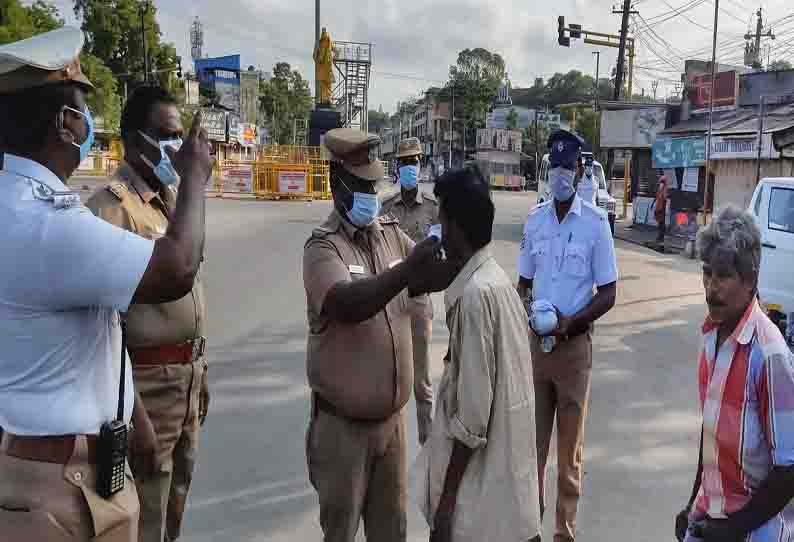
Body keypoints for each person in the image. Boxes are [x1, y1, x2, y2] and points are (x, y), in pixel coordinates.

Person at [0, 27, 212, 542]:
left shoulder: (21, 207)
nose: (87, 123)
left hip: (69, 459)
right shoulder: (50, 222)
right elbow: (176, 268)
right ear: (65, 124)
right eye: (81, 111)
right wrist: (197, 179)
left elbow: (97, 326)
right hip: (57, 482)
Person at [303, 128, 457, 542]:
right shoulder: (323, 248)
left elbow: (432, 274)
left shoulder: (389, 233)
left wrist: (464, 233)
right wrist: (406, 271)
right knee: (341, 532)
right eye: (361, 185)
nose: (372, 193)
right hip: (343, 430)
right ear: (337, 182)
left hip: (391, 427)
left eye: (375, 183)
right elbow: (348, 303)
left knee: (392, 532)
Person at [85, 86, 209, 542]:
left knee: (176, 499)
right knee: (146, 511)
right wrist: (131, 410)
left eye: (180, 136)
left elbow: (193, 290)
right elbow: (101, 325)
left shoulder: (174, 202)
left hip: (186, 379)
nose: (176, 147)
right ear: (133, 141)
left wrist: (201, 372)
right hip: (146, 386)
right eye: (165, 136)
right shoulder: (111, 208)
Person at [416, 166, 541, 542]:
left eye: (440, 216)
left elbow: (472, 421)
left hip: (483, 509)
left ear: (453, 227)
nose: (436, 226)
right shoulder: (497, 281)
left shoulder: (475, 297)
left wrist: (446, 506)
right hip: (511, 499)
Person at [516, 130, 618, 542]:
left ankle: (564, 533)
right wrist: (527, 312)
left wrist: (568, 323)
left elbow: (609, 292)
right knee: (531, 449)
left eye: (567, 167)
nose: (560, 175)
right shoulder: (535, 220)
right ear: (548, 171)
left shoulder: (595, 224)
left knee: (568, 454)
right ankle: (530, 529)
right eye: (554, 167)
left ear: (580, 171)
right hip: (535, 352)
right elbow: (523, 282)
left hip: (574, 351)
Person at [675, 205, 794, 542]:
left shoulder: (769, 355)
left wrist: (733, 529)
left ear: (750, 279)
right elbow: (711, 430)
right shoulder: (712, 336)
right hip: (710, 516)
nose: (711, 288)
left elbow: (789, 469)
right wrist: (691, 504)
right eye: (707, 273)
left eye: (724, 276)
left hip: (757, 530)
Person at [381, 136, 439, 445]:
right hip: (388, 301)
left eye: (414, 162)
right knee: (389, 372)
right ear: (397, 167)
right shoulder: (385, 207)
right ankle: (390, 441)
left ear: (421, 165)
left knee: (421, 379)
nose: (409, 167)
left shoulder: (432, 209)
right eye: (404, 163)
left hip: (418, 300)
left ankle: (426, 441)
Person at [655, 171, 668, 244]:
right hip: (661, 204)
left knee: (661, 221)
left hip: (661, 204)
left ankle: (661, 237)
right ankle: (660, 237)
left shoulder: (662, 183)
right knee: (661, 222)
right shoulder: (664, 182)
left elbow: (661, 195)